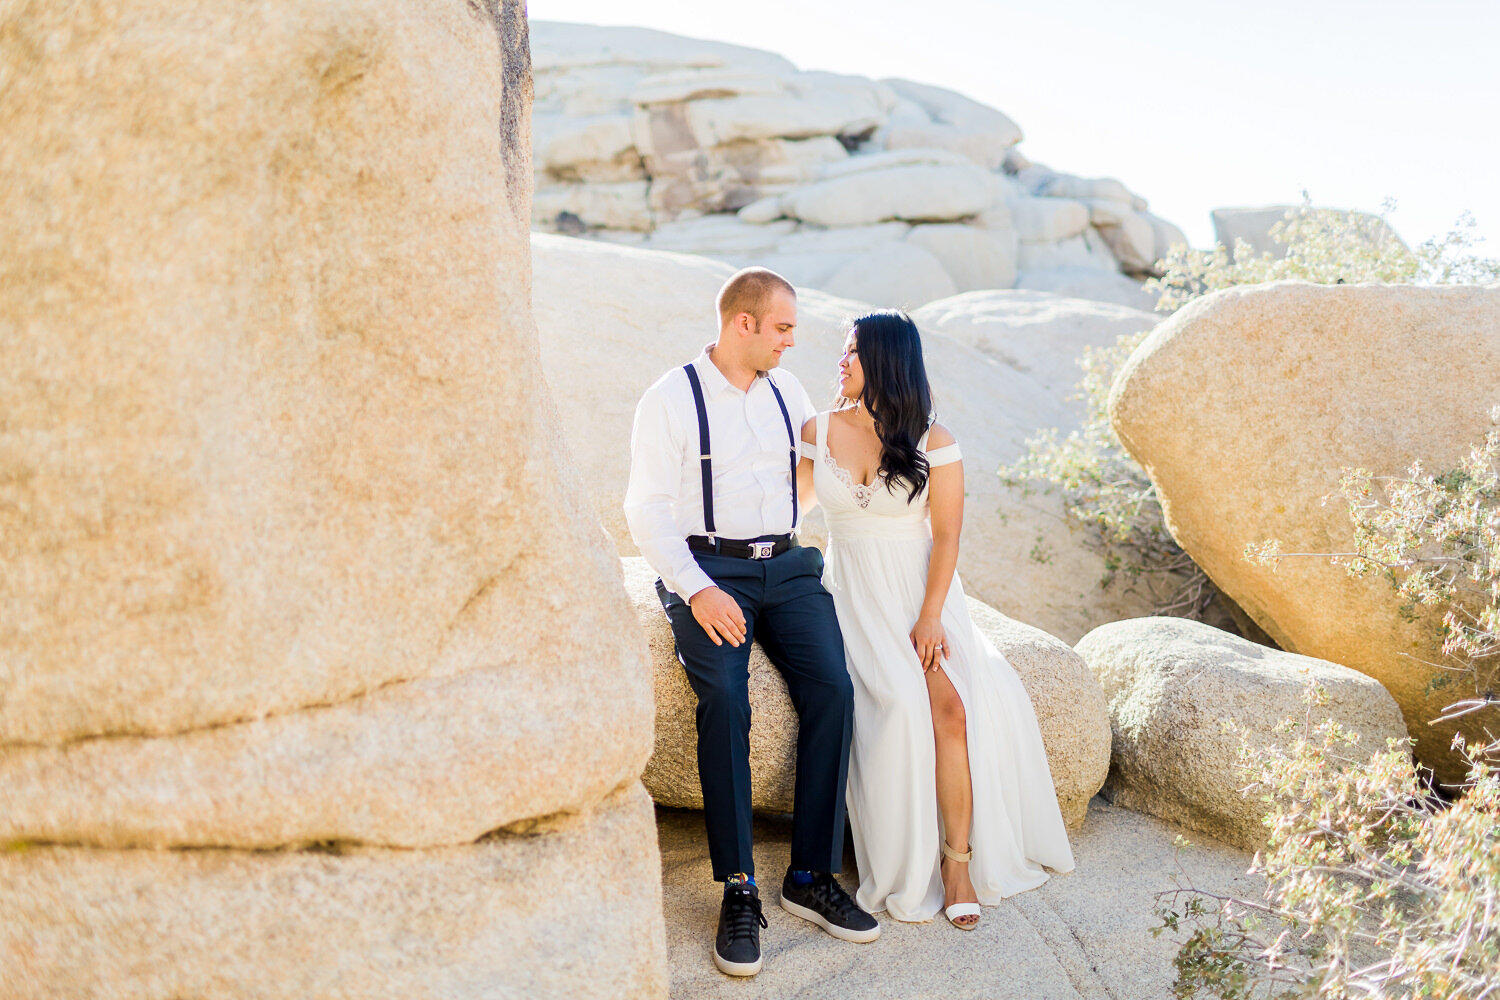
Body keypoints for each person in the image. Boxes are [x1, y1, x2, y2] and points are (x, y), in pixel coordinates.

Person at [624, 267, 879, 978]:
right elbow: (645, 508)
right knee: (726, 701)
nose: (792, 343)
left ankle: (810, 876)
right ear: (744, 324)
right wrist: (698, 589)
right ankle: (739, 889)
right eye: (784, 328)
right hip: (708, 572)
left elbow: (809, 468)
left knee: (833, 688)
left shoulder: (785, 391)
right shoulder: (671, 397)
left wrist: (786, 527)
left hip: (788, 568)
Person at [797, 310, 1075, 929]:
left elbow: (947, 536)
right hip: (855, 593)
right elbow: (786, 510)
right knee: (896, 705)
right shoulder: (817, 430)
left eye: (852, 351)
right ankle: (900, 864)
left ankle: (957, 863)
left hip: (922, 593)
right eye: (842, 351)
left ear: (886, 361)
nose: (839, 361)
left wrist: (929, 617)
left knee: (951, 707)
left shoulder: (933, 439)